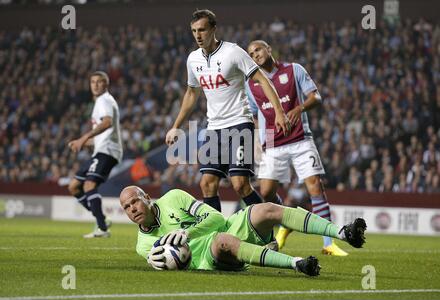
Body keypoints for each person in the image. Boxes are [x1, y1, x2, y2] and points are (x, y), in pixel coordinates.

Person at [165, 9, 291, 214]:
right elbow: (191, 93)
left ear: (214, 29)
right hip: (214, 128)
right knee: (207, 183)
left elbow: (262, 79)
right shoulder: (193, 60)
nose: (198, 35)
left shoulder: (233, 52)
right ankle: (215, 234)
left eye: (202, 30)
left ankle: (268, 228)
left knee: (240, 184)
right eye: (194, 30)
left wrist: (279, 111)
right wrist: (175, 126)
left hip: (240, 124)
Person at [119, 186, 367, 274]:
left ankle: (343, 233)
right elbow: (179, 264)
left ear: (147, 198)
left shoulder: (173, 197)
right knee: (223, 241)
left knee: (267, 209)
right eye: (127, 207)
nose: (132, 208)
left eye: (135, 201)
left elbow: (215, 217)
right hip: (208, 256)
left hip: (227, 226)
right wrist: (161, 263)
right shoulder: (143, 246)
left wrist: (188, 233)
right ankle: (297, 263)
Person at [246, 40, 348, 256]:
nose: (255, 55)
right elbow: (254, 115)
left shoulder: (294, 70)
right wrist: (258, 141)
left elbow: (316, 97)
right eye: (251, 53)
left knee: (314, 186)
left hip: (301, 138)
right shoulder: (251, 84)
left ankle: (328, 243)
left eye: (258, 49)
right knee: (266, 192)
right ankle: (287, 222)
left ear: (269, 50)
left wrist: (298, 109)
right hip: (273, 142)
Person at [68, 71, 123, 238]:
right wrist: (84, 142)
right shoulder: (100, 102)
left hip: (108, 151)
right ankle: (102, 220)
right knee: (74, 187)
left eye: (100, 82)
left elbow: (106, 123)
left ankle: (102, 228)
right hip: (101, 149)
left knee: (89, 186)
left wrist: (83, 138)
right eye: (93, 82)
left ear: (106, 84)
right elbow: (102, 133)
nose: (96, 85)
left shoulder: (104, 100)